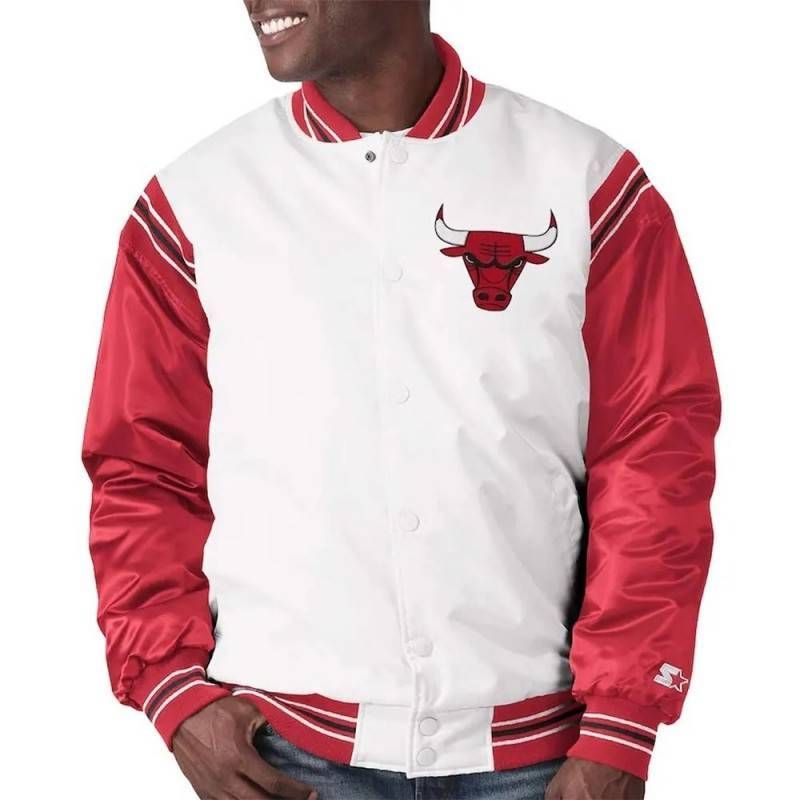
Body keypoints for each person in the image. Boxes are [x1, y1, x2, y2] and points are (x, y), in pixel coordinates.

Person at [82, 1, 720, 798]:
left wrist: (625, 721)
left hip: (543, 758)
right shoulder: (193, 203)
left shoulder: (588, 181)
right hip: (279, 751)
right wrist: (171, 692)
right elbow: (141, 465)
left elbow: (656, 453)